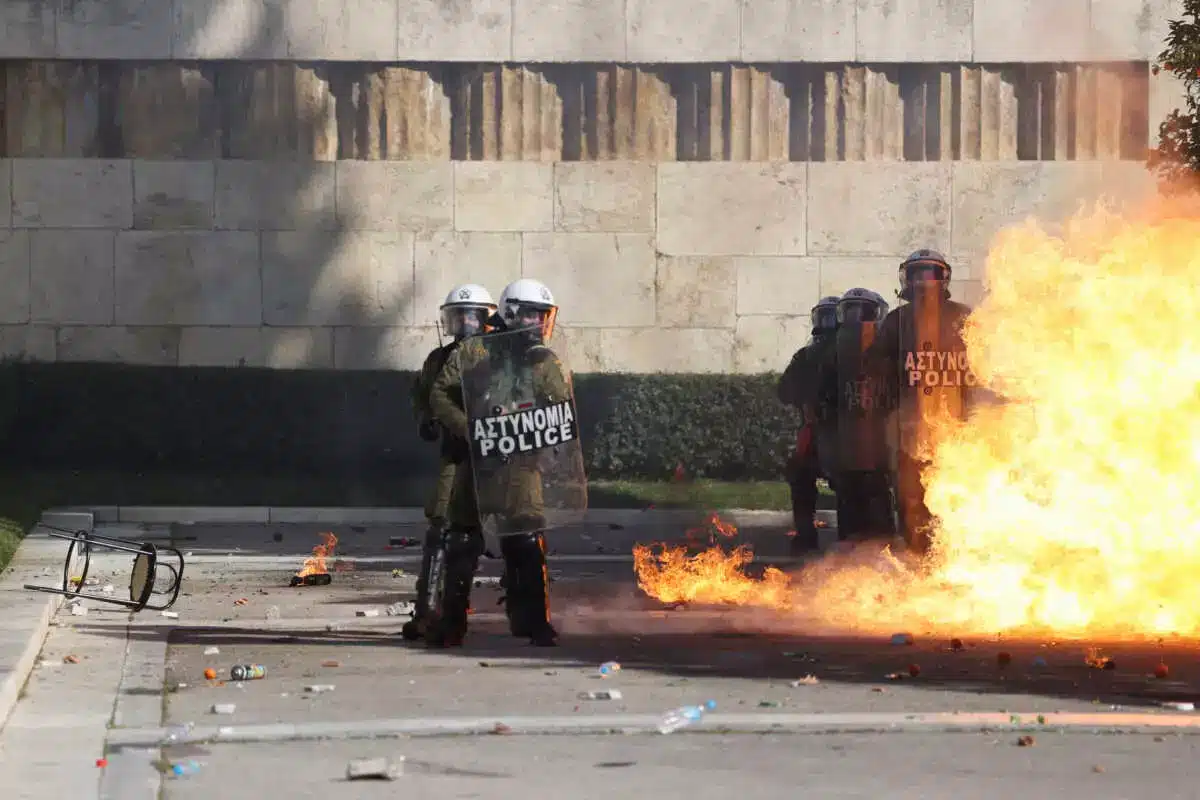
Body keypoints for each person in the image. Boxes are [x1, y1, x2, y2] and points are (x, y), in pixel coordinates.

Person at [428, 278, 577, 647]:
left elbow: (559, 408)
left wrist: (549, 443)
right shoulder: (475, 351)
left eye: (542, 316)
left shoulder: (545, 361)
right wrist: (469, 430)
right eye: (530, 315)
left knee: (525, 544)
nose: (537, 323)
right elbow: (440, 393)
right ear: (510, 314)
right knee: (462, 543)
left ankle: (533, 622)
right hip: (477, 465)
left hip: (522, 466)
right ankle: (450, 625)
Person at [400, 283, 497, 642]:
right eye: (459, 316)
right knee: (442, 526)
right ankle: (429, 611)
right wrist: (427, 418)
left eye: (473, 316)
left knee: (522, 532)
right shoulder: (439, 359)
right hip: (456, 452)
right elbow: (424, 394)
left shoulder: (497, 354)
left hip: (498, 454)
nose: (466, 323)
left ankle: (532, 613)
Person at [864, 250, 974, 555]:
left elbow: (983, 369)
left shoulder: (963, 319)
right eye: (918, 274)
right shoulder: (898, 321)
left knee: (943, 498)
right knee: (912, 498)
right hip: (914, 428)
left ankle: (947, 556)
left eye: (928, 274)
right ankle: (920, 556)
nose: (923, 282)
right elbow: (876, 369)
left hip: (952, 430)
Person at [778, 295, 841, 553]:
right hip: (827, 436)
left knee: (803, 476)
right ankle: (852, 537)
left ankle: (806, 535)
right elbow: (785, 391)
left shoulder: (806, 355)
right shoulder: (851, 352)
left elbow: (784, 392)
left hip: (830, 436)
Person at [832, 287, 895, 541]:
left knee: (868, 497)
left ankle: (868, 555)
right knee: (858, 498)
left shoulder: (887, 352)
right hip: (854, 445)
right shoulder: (831, 352)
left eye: (864, 312)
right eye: (851, 311)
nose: (857, 319)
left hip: (871, 445)